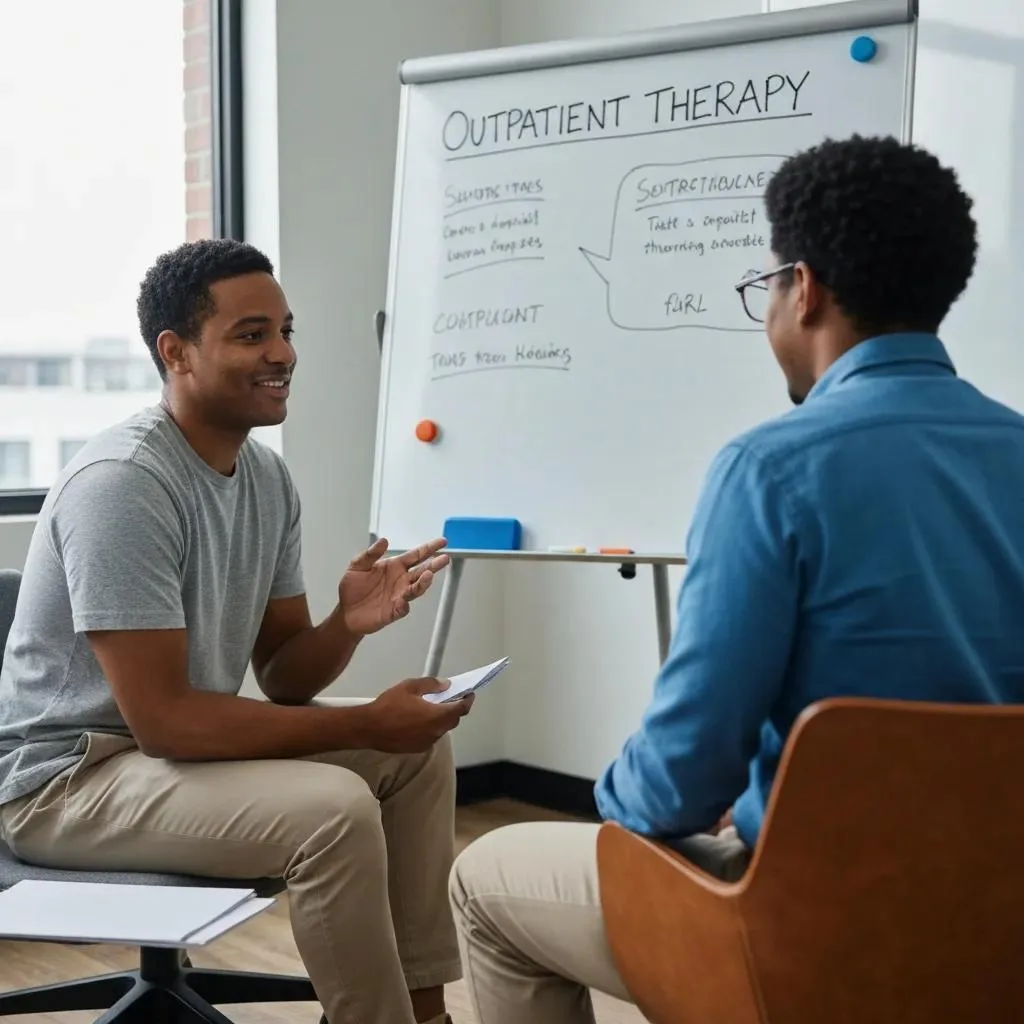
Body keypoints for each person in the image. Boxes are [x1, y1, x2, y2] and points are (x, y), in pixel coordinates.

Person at [448, 133, 1024, 1023]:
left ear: (808, 287)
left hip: (806, 937)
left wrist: (629, 800)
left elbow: (680, 781)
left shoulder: (772, 471)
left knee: (486, 879)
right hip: (999, 930)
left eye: (766, 286)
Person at [0, 238, 474, 1024]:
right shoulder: (124, 485)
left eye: (287, 331)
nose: (283, 353)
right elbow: (167, 722)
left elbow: (285, 676)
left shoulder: (264, 477)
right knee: (334, 808)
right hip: (66, 782)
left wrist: (346, 625)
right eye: (252, 335)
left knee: (416, 750)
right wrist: (366, 722)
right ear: (175, 352)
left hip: (165, 762)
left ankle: (424, 1014)